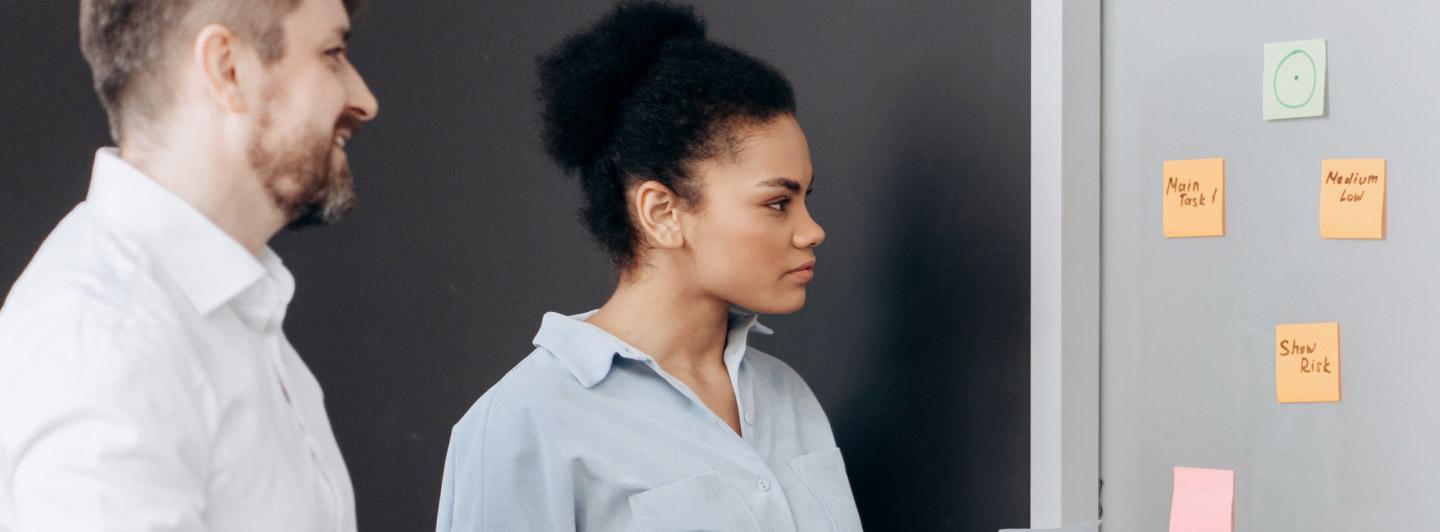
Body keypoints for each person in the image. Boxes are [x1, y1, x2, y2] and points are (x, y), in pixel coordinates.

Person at [436, 2, 861, 530]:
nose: (811, 230)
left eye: (806, 199)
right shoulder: (528, 421)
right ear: (662, 213)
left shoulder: (788, 397)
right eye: (778, 203)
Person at [0, 0, 377, 529]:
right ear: (228, 68)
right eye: (331, 53)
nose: (364, 100)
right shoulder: (110, 343)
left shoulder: (220, 316)